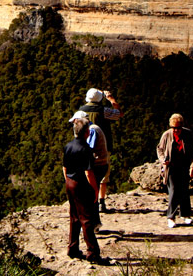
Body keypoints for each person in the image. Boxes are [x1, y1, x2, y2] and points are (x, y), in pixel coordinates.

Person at [63, 114, 110, 265]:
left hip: (70, 182)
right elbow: (89, 173)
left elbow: (64, 168)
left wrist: (68, 181)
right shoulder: (86, 149)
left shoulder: (68, 146)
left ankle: (73, 248)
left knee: (74, 216)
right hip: (81, 184)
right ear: (86, 133)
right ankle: (93, 253)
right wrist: (95, 190)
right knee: (86, 219)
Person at [79, 88, 121, 213]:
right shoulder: (104, 111)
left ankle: (90, 201)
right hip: (102, 146)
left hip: (85, 147)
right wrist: (112, 100)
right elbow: (118, 114)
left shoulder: (80, 111)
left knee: (88, 174)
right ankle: (101, 202)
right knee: (103, 176)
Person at [69, 110, 109, 232]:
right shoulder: (94, 128)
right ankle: (94, 222)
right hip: (100, 164)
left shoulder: (92, 130)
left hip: (96, 166)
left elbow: (88, 149)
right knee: (92, 193)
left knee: (90, 194)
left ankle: (92, 223)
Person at [156, 113, 193, 228]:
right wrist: (162, 160)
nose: (176, 130)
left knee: (184, 190)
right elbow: (160, 149)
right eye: (173, 128)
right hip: (170, 167)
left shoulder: (188, 134)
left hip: (184, 166)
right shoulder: (167, 135)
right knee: (174, 191)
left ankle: (186, 215)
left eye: (178, 128)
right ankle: (171, 216)